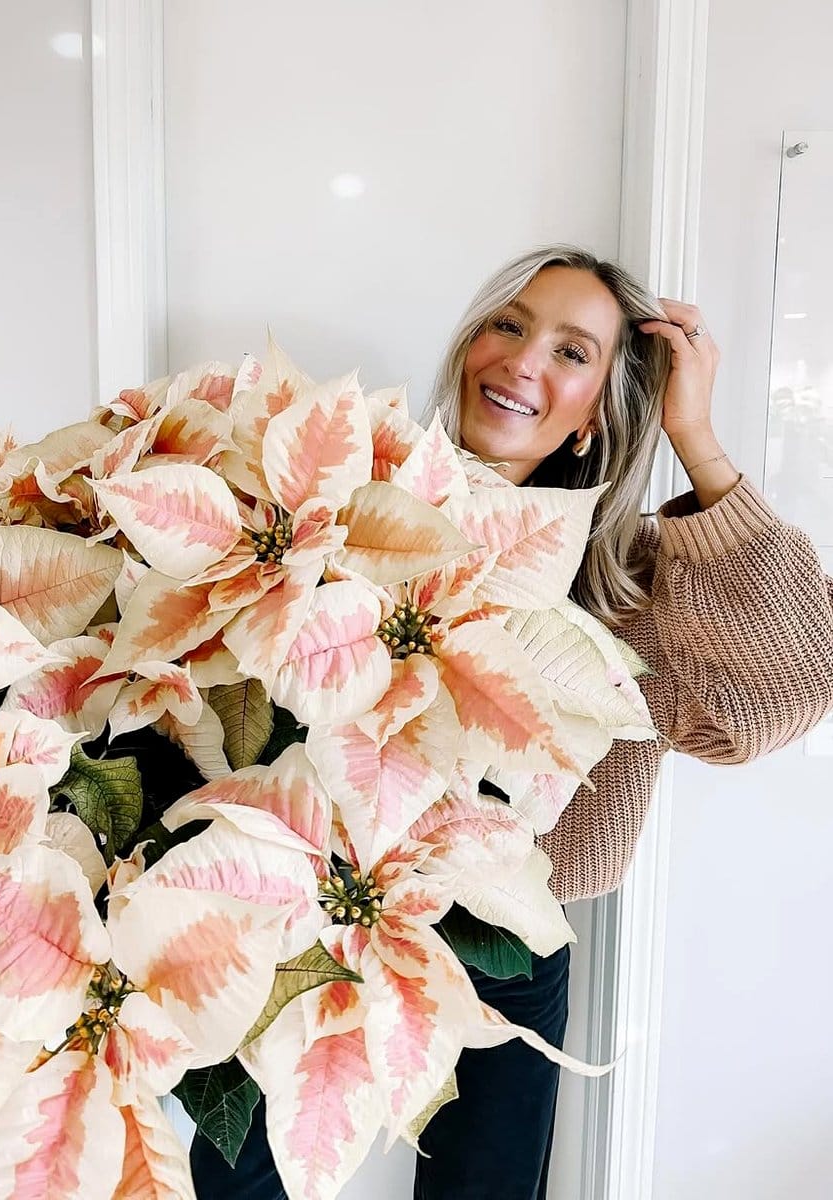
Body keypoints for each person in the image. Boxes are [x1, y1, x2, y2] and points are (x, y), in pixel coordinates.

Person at [189, 245, 833, 1199]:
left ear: (595, 416)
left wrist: (693, 435)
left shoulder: (636, 586)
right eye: (509, 324)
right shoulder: (341, 505)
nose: (524, 360)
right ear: (466, 347)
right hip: (298, 919)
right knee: (247, 1178)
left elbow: (791, 686)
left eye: (573, 352)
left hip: (507, 942)